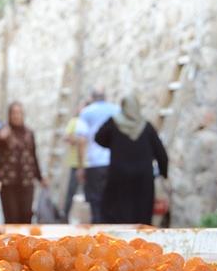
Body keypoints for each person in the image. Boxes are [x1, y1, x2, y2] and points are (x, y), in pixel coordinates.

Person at [94, 94, 169, 225]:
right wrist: (164, 173)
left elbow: (98, 138)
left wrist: (113, 144)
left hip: (119, 176)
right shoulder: (146, 127)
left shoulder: (113, 123)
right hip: (143, 178)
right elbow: (161, 154)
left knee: (116, 213)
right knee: (141, 215)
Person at [0, 102, 47, 224]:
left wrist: (40, 177)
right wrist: (0, 139)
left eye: (19, 112)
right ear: (9, 115)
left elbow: (33, 156)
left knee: (26, 215)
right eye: (14, 113)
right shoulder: (3, 132)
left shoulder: (29, 133)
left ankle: (26, 243)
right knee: (11, 217)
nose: (17, 116)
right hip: (8, 183)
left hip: (27, 181)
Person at [75, 86, 120, 223]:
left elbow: (81, 140)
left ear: (92, 97)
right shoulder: (116, 110)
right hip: (113, 162)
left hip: (93, 162)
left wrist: (81, 166)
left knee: (95, 203)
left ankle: (99, 235)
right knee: (112, 202)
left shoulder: (86, 113)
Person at [61, 101, 86, 222]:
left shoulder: (89, 122)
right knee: (71, 192)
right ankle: (65, 217)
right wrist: (78, 139)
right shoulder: (74, 122)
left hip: (89, 164)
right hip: (76, 163)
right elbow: (66, 137)